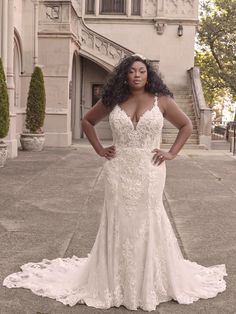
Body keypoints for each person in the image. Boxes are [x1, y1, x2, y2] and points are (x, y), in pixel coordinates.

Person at [2, 54, 227, 312]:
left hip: (150, 169)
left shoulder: (162, 100)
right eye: (132, 71)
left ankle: (149, 282)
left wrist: (172, 153)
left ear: (148, 75)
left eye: (142, 71)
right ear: (124, 75)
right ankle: (114, 281)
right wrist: (99, 149)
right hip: (118, 168)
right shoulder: (113, 100)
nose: (137, 75)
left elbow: (186, 125)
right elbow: (87, 121)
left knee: (147, 220)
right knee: (118, 220)